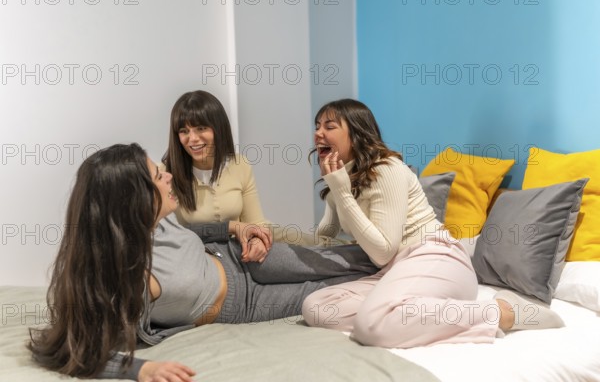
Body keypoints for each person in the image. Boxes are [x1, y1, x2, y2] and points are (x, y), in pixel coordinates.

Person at [28, 143, 377, 381]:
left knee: (346, 259)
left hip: (240, 257)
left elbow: (194, 229)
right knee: (335, 287)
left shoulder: (155, 221)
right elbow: (77, 352)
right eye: (156, 176)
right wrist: (139, 370)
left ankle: (416, 251)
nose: (166, 174)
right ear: (133, 200)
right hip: (241, 304)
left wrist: (235, 226)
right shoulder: (128, 279)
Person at [301, 99, 565, 348]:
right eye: (317, 126)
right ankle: (400, 313)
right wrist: (280, 235)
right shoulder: (344, 179)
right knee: (317, 306)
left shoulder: (386, 169)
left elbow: (383, 250)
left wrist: (342, 192)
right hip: (397, 269)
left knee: (372, 324)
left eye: (329, 126)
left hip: (437, 257)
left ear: (357, 133)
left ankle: (502, 312)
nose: (318, 134)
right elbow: (327, 233)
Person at [161, 90, 323, 262]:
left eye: (201, 128)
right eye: (184, 131)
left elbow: (256, 222)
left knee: (313, 244)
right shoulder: (164, 174)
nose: (192, 138)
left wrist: (258, 240)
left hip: (245, 241)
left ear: (218, 128)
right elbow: (171, 233)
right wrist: (232, 227)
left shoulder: (239, 164)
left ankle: (351, 247)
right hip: (208, 254)